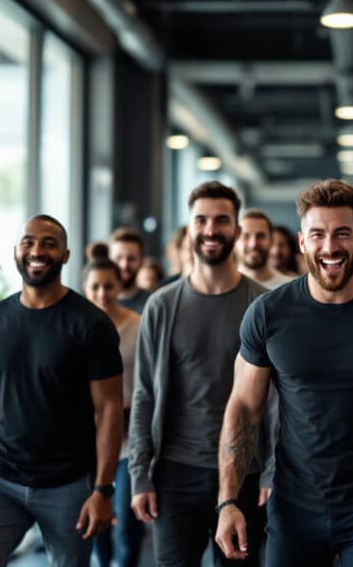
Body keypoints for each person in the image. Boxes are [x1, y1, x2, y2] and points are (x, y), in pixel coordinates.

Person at [214, 179, 353, 567]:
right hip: (293, 507)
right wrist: (228, 500)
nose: (330, 247)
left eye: (342, 234)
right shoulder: (269, 314)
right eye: (317, 234)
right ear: (302, 241)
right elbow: (244, 408)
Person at [0, 215, 124, 567]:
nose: (37, 250)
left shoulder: (91, 324)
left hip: (68, 486)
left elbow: (108, 408)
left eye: (49, 243)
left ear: (65, 255)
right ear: (16, 252)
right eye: (29, 242)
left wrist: (103, 489)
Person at [129, 182, 271, 567]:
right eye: (201, 220)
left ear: (237, 231)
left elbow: (276, 399)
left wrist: (271, 470)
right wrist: (140, 474)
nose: (211, 229)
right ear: (189, 229)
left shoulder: (261, 305)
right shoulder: (161, 306)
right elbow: (144, 394)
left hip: (245, 470)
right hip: (175, 473)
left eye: (221, 220)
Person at [83, 244, 144, 567]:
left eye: (109, 286)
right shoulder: (79, 325)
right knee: (95, 524)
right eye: (96, 287)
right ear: (85, 288)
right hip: (90, 437)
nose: (103, 293)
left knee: (127, 520)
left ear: (119, 286)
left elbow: (149, 381)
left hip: (130, 436)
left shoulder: (137, 325)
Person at [237, 209, 296, 289]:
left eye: (260, 236)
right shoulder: (223, 286)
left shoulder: (290, 288)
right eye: (246, 236)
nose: (253, 244)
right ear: (235, 240)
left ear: (271, 240)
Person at [110, 227, 151, 313]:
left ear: (142, 261)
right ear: (109, 260)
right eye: (118, 258)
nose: (124, 265)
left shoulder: (151, 304)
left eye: (131, 258)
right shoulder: (96, 304)